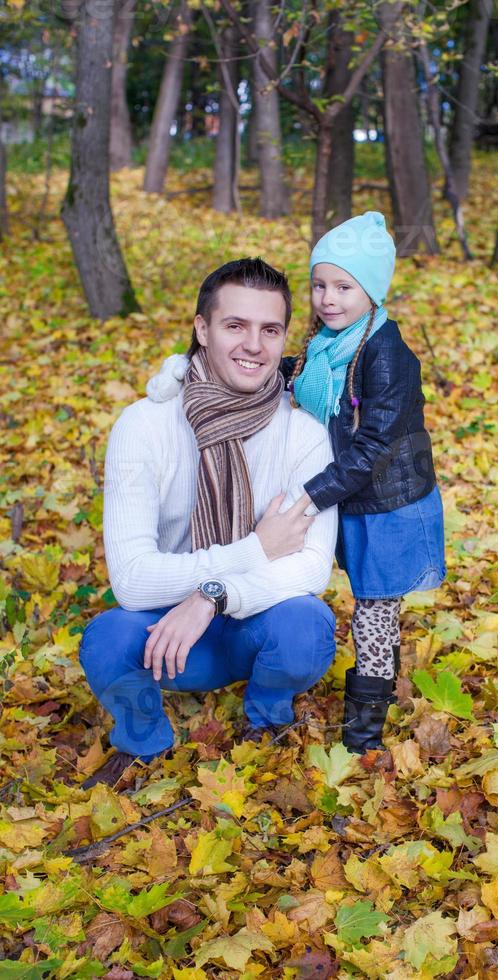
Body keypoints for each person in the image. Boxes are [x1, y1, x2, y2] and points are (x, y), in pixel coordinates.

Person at [79, 258, 338, 789]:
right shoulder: (145, 426)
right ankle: (144, 741)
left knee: (306, 629)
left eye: (270, 330)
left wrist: (213, 594)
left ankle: (266, 717)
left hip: (255, 623)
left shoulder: (304, 432)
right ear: (202, 329)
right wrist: (253, 550)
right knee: (105, 641)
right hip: (168, 635)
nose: (254, 346)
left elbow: (311, 570)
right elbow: (130, 579)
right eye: (235, 326)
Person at [286, 211, 446, 753]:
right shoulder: (329, 347)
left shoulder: (386, 354)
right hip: (348, 495)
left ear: (372, 290)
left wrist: (311, 496)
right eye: (319, 285)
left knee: (374, 615)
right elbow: (297, 374)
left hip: (388, 506)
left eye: (344, 286)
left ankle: (363, 736)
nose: (328, 298)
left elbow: (375, 447)